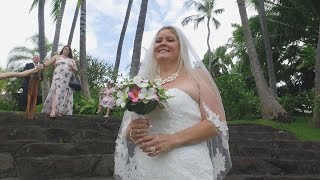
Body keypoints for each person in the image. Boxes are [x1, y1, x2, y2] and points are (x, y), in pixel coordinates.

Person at [114, 26, 232, 180]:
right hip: (147, 164)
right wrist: (132, 131)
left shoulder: (197, 76)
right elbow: (129, 132)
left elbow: (215, 123)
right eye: (158, 40)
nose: (163, 43)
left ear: (181, 47)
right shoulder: (142, 85)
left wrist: (173, 139)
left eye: (170, 40)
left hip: (187, 163)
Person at [41, 45, 78, 118]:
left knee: (65, 94)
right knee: (56, 91)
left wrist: (72, 67)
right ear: (63, 50)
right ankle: (53, 110)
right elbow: (47, 64)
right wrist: (41, 66)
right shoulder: (57, 57)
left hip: (67, 79)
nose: (67, 51)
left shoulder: (72, 60)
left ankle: (60, 111)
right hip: (58, 77)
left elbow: (76, 70)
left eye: (68, 50)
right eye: (65, 49)